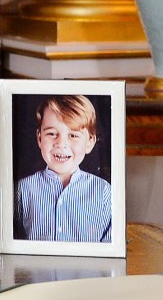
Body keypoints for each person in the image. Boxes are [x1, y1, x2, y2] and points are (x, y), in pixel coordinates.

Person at [13, 95, 112, 243]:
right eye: (52, 134)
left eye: (73, 135)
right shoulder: (23, 190)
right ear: (40, 138)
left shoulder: (104, 192)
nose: (61, 144)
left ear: (90, 142)